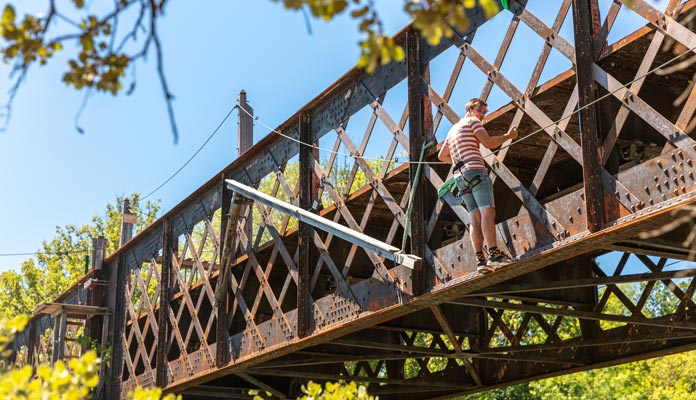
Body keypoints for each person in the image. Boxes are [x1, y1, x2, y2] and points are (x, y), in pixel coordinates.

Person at [438, 98, 518, 274]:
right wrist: (509, 136)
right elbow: (488, 143)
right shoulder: (472, 122)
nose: (481, 116)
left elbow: (442, 156)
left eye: (483, 112)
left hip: (460, 178)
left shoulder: (452, 131)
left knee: (474, 217)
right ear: (470, 108)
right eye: (479, 110)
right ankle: (494, 255)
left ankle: (480, 261)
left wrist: (460, 160)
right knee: (487, 212)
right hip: (476, 172)